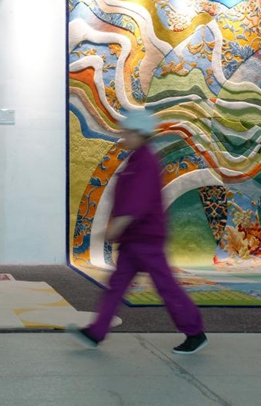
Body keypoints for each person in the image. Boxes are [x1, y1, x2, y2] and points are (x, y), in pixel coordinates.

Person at [69, 108, 208, 354]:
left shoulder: (145, 162)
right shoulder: (135, 159)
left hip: (147, 240)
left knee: (166, 287)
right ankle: (96, 332)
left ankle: (194, 332)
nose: (123, 136)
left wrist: (116, 228)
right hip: (133, 241)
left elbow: (137, 202)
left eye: (128, 132)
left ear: (140, 134)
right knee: (116, 286)